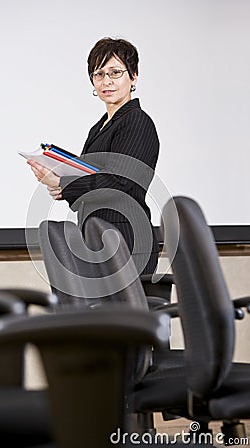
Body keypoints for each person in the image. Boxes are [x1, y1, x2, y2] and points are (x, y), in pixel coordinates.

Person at [28, 37, 160, 275]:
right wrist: (61, 185)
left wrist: (63, 183)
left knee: (122, 313)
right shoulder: (98, 128)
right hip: (96, 237)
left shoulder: (136, 121)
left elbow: (121, 183)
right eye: (98, 74)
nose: (106, 81)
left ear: (133, 77)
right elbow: (91, 188)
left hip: (126, 240)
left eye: (115, 72)